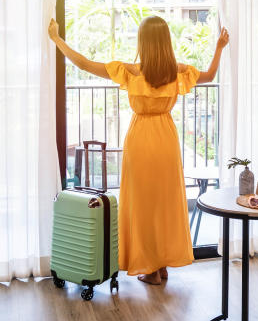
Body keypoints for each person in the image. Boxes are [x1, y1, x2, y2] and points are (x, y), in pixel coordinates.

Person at [48, 16, 229, 285]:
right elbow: (211, 74)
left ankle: (151, 269)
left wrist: (56, 39)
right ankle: (163, 265)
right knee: (164, 205)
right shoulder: (178, 71)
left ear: (143, 43)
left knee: (143, 206)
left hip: (141, 140)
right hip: (166, 139)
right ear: (166, 43)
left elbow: (84, 63)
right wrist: (219, 47)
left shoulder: (132, 72)